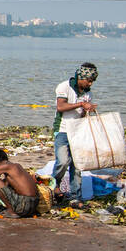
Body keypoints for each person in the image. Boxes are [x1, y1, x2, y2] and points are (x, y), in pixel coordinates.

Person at [52, 62, 98, 205]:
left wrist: (87, 111)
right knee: (63, 162)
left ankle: (75, 195)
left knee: (77, 165)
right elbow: (61, 107)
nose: (90, 84)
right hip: (63, 130)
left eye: (92, 81)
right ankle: (53, 186)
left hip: (77, 132)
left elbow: (82, 115)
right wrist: (80, 104)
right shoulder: (64, 87)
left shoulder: (88, 93)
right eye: (89, 80)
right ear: (81, 77)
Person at [0, 147, 40, 217]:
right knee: (1, 182)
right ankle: (12, 209)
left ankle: (11, 211)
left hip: (23, 205)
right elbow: (5, 184)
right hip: (33, 205)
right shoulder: (16, 166)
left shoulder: (6, 166)